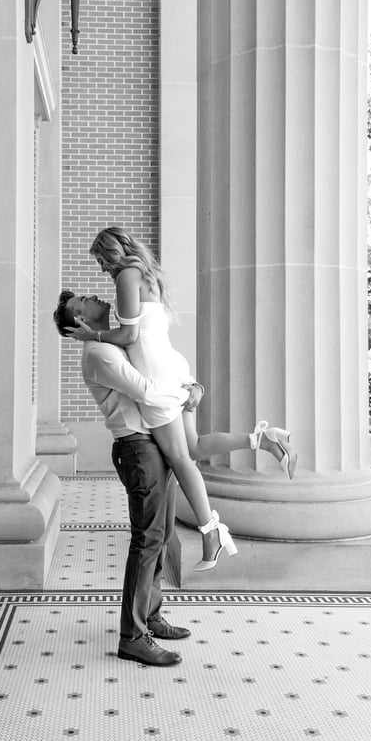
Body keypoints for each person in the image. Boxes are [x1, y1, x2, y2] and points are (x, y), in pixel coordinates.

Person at [63, 226, 298, 569]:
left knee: (180, 458)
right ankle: (264, 439)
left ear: (112, 251)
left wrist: (93, 334)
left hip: (156, 375)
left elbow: (129, 335)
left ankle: (210, 533)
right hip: (169, 363)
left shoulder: (126, 275)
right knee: (195, 446)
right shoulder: (144, 273)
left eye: (100, 259)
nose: (101, 268)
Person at [54, 289, 202, 667]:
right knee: (147, 538)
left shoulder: (115, 342)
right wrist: (184, 393)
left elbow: (159, 367)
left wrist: (191, 385)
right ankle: (133, 636)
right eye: (81, 303)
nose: (90, 297)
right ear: (81, 322)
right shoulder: (100, 354)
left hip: (152, 443)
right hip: (138, 449)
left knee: (162, 534)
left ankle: (150, 615)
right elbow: (148, 391)